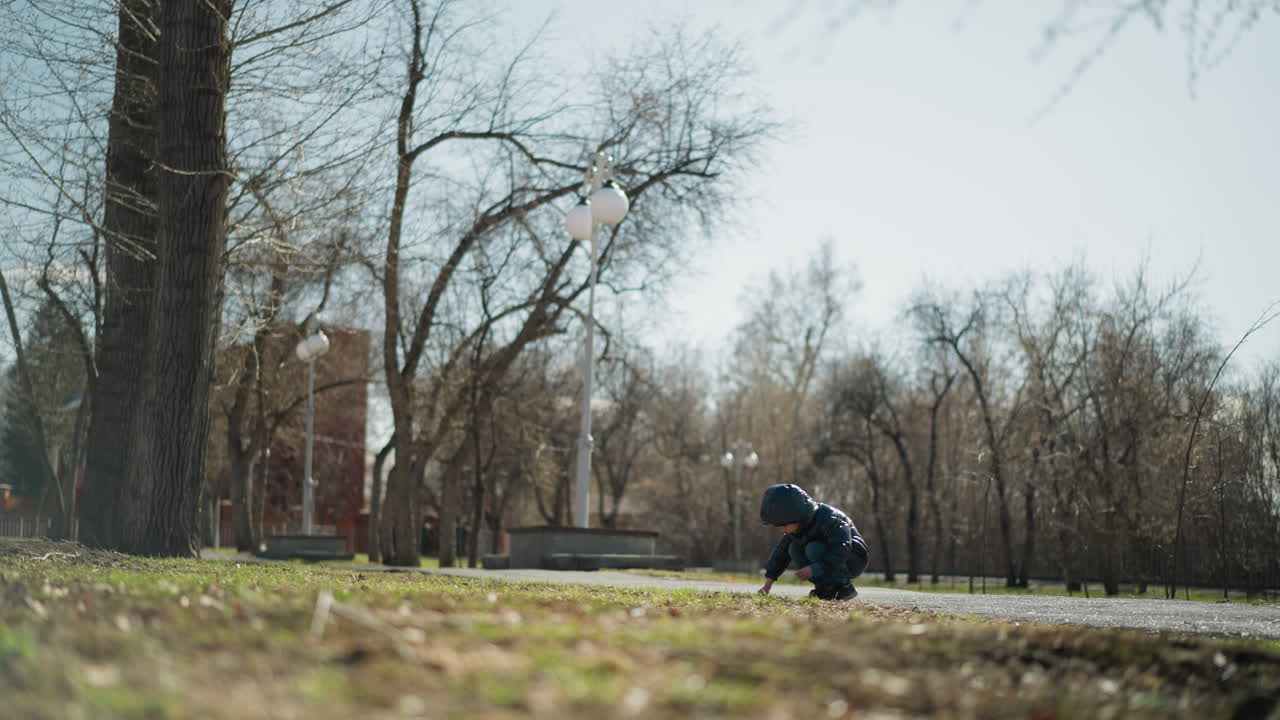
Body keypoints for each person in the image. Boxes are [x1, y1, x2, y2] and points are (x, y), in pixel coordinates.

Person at [756, 483, 868, 601]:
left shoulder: (828, 518)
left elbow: (842, 547)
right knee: (793, 548)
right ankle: (824, 588)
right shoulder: (796, 529)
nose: (782, 529)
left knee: (813, 548)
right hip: (829, 559)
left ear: (797, 516)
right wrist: (767, 585)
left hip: (854, 557)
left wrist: (816, 568)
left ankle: (844, 587)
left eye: (784, 525)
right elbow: (781, 554)